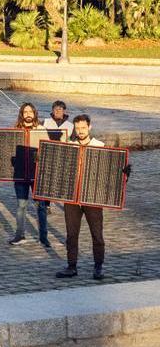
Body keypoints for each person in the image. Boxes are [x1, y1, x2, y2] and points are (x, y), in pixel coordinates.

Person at [56, 115, 130, 281]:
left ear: (89, 127)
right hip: (72, 198)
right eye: (77, 128)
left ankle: (98, 267)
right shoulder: (69, 145)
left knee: (97, 234)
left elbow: (110, 173)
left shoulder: (100, 146)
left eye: (83, 128)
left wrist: (123, 173)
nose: (80, 131)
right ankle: (71, 266)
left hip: (93, 197)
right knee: (71, 234)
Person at [8, 103, 51, 248]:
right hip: (20, 175)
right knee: (21, 206)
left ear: (34, 113)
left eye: (30, 112)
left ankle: (43, 237)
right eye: (25, 112)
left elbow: (48, 150)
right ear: (22, 114)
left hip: (37, 174)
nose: (28, 114)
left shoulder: (41, 129)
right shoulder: (15, 130)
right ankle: (20, 235)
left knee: (41, 206)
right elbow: (8, 150)